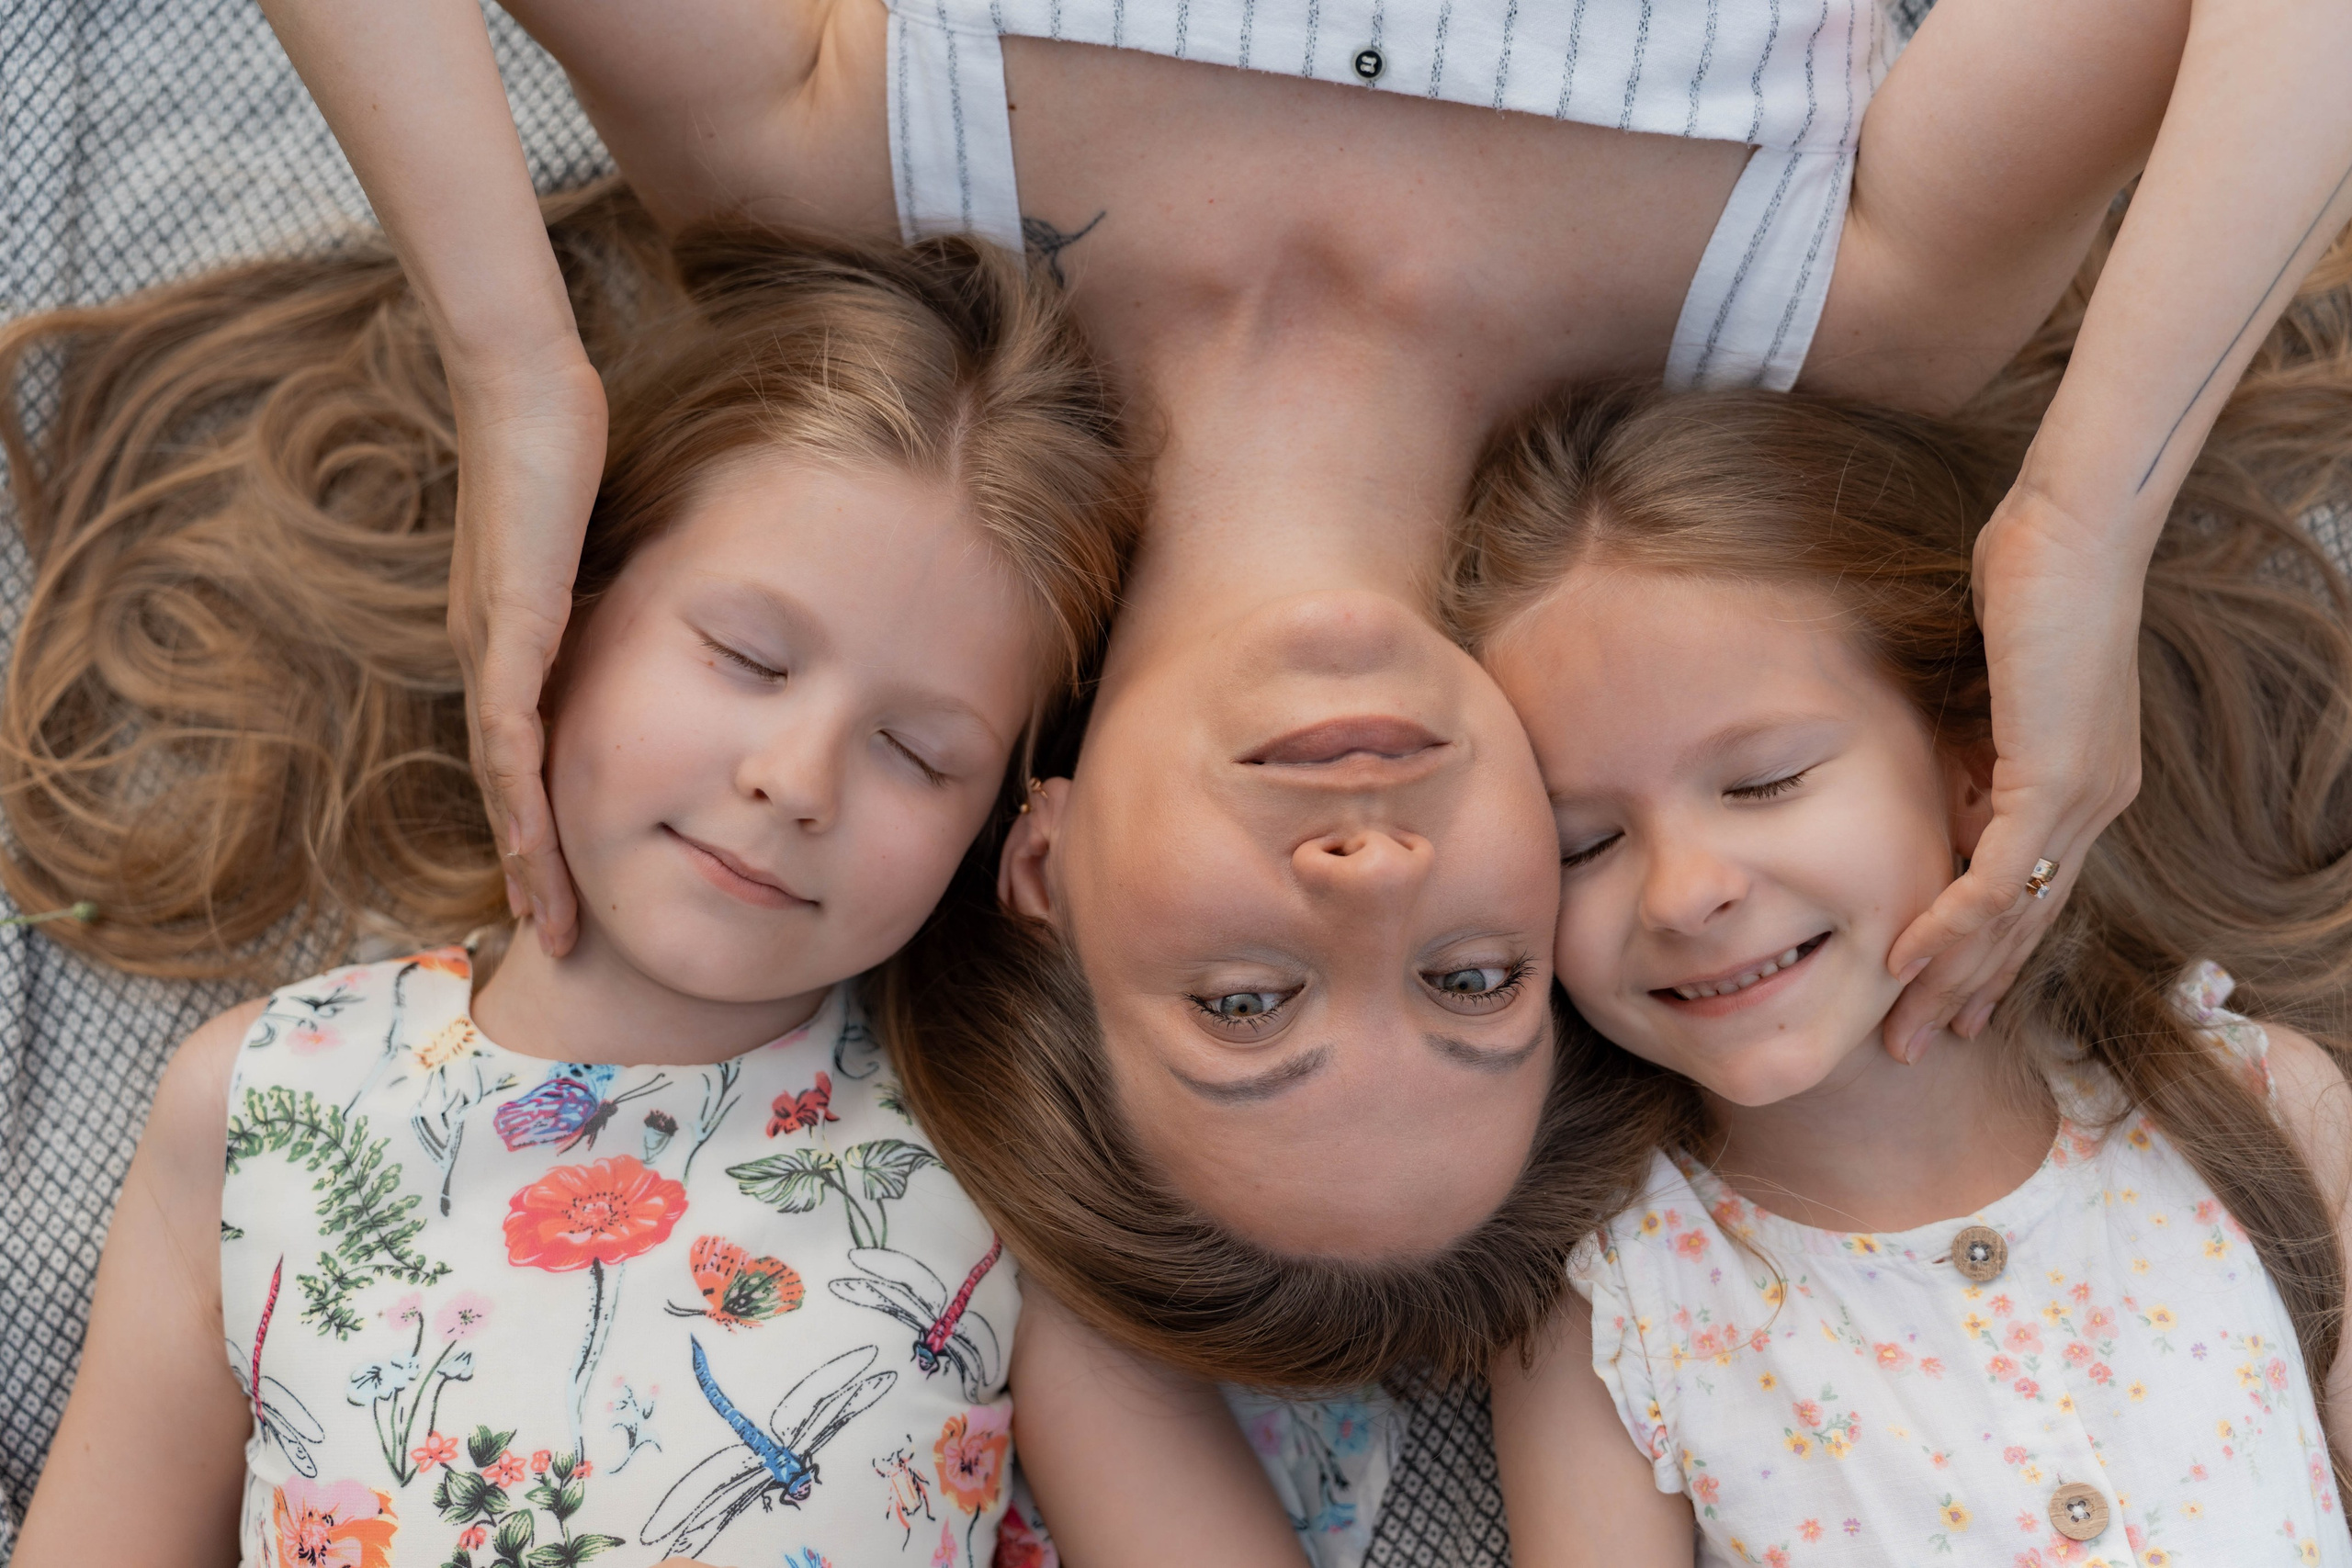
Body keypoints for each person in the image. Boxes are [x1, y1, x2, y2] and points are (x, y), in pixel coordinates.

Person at [251, 0, 2352, 1298]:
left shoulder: (832, 173)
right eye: (1468, 975)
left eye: (1247, 994)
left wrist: (513, 350)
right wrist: (2083, 513)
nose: (1365, 882)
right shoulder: (1839, 307)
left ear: (1045, 871)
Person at [4, 191, 1304, 1568]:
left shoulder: (994, 1152)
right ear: (558, 594)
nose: (798, 777)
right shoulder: (264, 1099)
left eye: (919, 752)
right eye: (747, 656)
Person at [1455, 382, 2352, 1562]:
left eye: (1764, 779)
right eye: (1583, 845)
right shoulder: (1612, 1314)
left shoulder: (2263, 1107)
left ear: (1983, 761)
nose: (1683, 893)